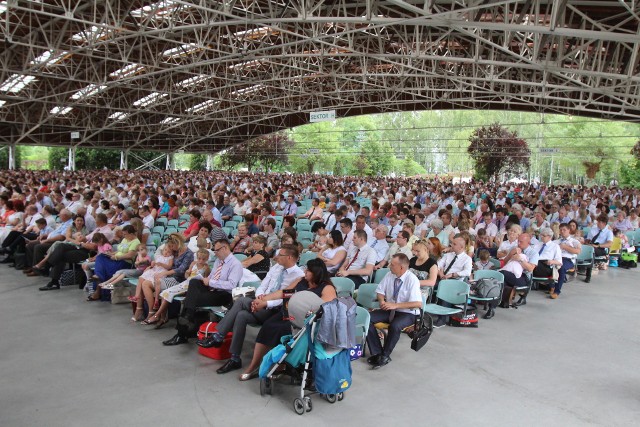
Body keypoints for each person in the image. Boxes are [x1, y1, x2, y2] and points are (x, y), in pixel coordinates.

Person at [197, 244, 305, 377]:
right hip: (261, 303)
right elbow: (264, 284)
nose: (276, 257)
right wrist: (259, 298)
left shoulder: (298, 275)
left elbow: (285, 298)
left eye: (280, 255)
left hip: (276, 310)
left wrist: (265, 303)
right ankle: (235, 358)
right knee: (242, 315)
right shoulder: (277, 267)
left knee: (242, 301)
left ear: (289, 257)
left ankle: (218, 336)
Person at [238, 257, 336, 379]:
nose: (305, 272)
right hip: (287, 313)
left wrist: (308, 312)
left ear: (316, 273)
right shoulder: (301, 281)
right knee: (268, 326)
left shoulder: (327, 288)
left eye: (308, 270)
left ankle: (279, 365)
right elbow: (284, 292)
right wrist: (263, 299)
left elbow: (324, 309)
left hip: (304, 322)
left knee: (281, 330)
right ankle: (254, 365)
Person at [162, 239, 242, 346]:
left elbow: (231, 285)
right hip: (211, 289)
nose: (215, 253)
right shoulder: (219, 261)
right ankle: (188, 318)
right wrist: (203, 279)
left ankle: (182, 333)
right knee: (194, 282)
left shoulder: (235, 264)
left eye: (216, 250)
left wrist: (211, 282)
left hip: (224, 295)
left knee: (190, 299)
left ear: (225, 248)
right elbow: (212, 277)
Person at [366, 253, 421, 368]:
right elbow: (380, 292)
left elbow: (417, 304)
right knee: (367, 318)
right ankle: (377, 352)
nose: (390, 266)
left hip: (408, 313)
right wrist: (381, 302)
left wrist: (395, 305)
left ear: (401, 267)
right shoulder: (389, 275)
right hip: (390, 309)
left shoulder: (412, 280)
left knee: (395, 326)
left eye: (393, 264)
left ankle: (385, 355)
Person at [146, 249, 211, 328]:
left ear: (207, 259)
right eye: (199, 258)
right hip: (186, 283)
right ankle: (162, 318)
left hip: (192, 287)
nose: (200, 261)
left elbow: (205, 281)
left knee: (169, 293)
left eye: (203, 259)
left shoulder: (206, 268)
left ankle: (156, 316)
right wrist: (187, 273)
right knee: (165, 293)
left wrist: (200, 279)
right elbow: (186, 277)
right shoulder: (193, 264)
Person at [499, 233, 539, 308]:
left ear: (528, 242)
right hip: (511, 272)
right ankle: (503, 300)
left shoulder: (533, 253)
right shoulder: (515, 248)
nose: (519, 243)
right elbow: (504, 262)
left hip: (524, 277)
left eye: (521, 242)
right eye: (518, 241)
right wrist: (511, 253)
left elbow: (530, 268)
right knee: (502, 277)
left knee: (502, 274)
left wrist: (520, 260)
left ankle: (502, 300)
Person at [550, 223, 582, 298]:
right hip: (557, 258)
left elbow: (578, 251)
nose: (562, 231)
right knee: (549, 265)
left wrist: (565, 247)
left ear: (569, 230)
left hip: (568, 259)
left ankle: (557, 291)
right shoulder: (556, 241)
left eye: (564, 230)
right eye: (561, 230)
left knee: (561, 267)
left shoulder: (574, 241)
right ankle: (551, 286)